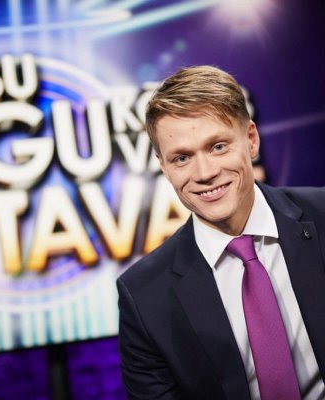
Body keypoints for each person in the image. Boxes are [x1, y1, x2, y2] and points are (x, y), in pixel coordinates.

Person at [116, 65, 325, 399]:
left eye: (217, 147)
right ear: (163, 166)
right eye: (182, 158)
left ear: (251, 140)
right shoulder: (143, 296)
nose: (204, 173)